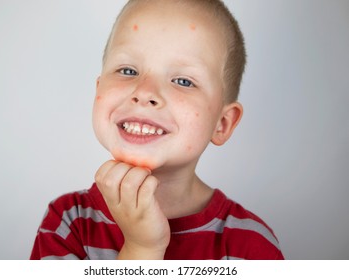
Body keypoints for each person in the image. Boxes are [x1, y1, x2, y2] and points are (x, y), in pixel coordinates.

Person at [30, 0, 284, 260]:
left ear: (222, 123)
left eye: (183, 81)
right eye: (128, 70)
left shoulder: (250, 247)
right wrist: (142, 248)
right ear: (98, 89)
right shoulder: (67, 225)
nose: (145, 92)